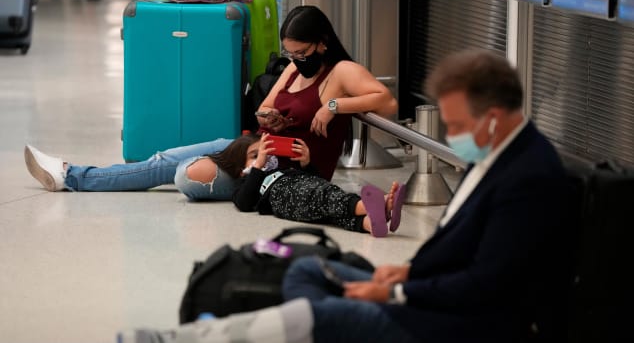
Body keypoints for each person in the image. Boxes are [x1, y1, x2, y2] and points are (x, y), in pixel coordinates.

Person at [117, 49, 571, 343]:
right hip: (428, 291)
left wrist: (396, 293)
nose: (450, 137)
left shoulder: (528, 179)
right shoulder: (495, 153)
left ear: (492, 116)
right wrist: (406, 270)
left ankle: (188, 339)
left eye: (454, 126)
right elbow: (460, 247)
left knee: (328, 313)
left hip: (461, 324)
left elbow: (485, 286)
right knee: (308, 271)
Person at [23, 5, 397, 200]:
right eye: (289, 53)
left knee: (181, 174)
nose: (295, 59)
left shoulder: (341, 71)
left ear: (322, 43)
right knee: (163, 162)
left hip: (289, 169)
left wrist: (332, 107)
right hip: (257, 148)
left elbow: (387, 102)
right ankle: (73, 175)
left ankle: (73, 177)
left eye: (301, 52)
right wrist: (272, 117)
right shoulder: (294, 71)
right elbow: (264, 108)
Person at [232, 133, 406, 237]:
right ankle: (376, 204)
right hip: (284, 196)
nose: (263, 158)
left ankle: (370, 223)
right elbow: (244, 203)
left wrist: (307, 164)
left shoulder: (285, 169)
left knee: (332, 207)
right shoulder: (245, 181)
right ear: (241, 169)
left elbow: (317, 180)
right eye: (255, 155)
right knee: (323, 197)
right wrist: (257, 167)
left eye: (266, 154)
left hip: (310, 189)